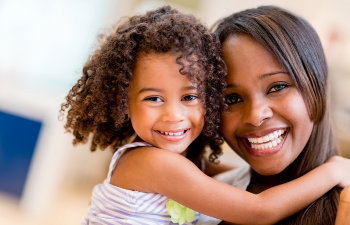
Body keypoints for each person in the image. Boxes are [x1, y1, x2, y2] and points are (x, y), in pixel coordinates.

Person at [60, 5, 350, 225]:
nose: (174, 115)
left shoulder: (178, 166)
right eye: (153, 98)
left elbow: (218, 175)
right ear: (122, 101)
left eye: (189, 97)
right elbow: (261, 209)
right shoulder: (152, 163)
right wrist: (333, 170)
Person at [203, 5, 349, 225]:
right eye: (231, 99)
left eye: (277, 86)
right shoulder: (207, 200)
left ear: (318, 84)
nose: (255, 115)